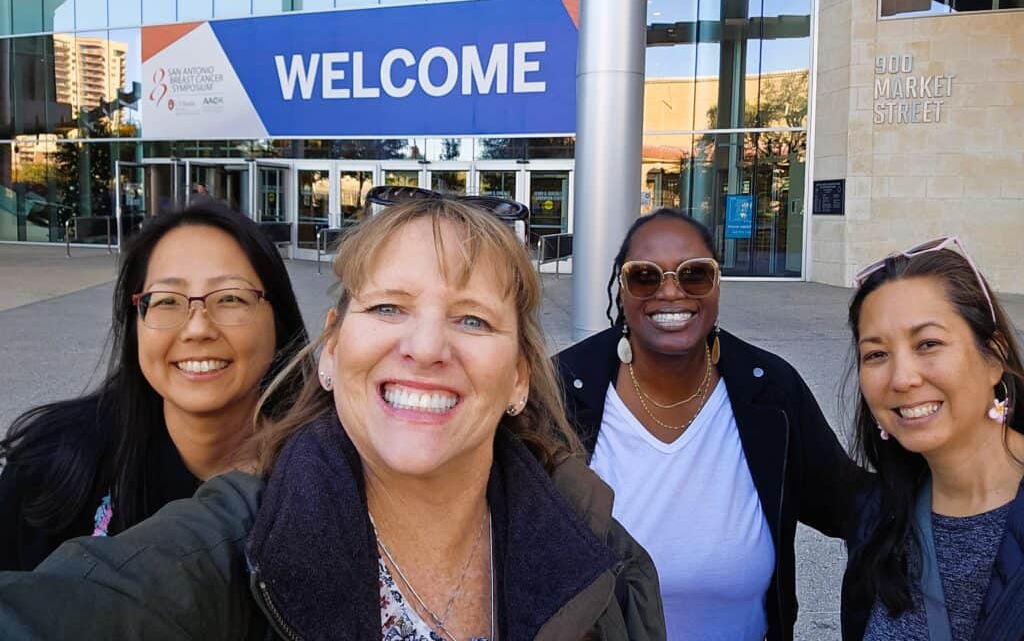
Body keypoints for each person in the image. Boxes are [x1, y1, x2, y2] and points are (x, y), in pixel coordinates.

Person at [0, 196, 666, 641]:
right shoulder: (231, 545)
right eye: (386, 308)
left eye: (471, 318)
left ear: (519, 376)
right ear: (330, 350)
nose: (427, 347)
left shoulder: (609, 567)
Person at [554, 208, 861, 641]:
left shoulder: (771, 391)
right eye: (645, 276)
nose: (671, 292)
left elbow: (854, 505)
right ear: (620, 289)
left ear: (717, 285)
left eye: (694, 274)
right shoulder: (562, 390)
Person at [0, 202, 308, 570]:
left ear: (279, 321)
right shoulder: (53, 467)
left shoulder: (326, 478)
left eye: (230, 298)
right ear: (135, 326)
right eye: (166, 301)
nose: (197, 329)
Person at [841, 236, 1024, 641]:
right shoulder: (880, 516)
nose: (902, 378)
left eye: (928, 344)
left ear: (993, 357)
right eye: (876, 354)